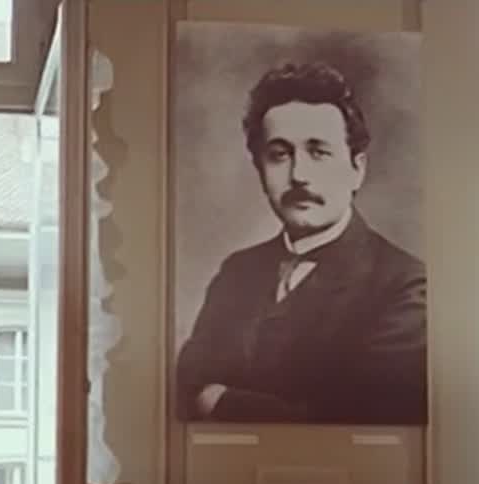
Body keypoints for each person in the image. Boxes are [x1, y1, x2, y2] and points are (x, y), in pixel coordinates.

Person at [176, 61, 426, 425]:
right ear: (259, 169)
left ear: (357, 169)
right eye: (279, 155)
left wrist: (220, 400)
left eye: (319, 152)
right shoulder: (237, 271)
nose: (299, 175)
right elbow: (185, 388)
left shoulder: (406, 284)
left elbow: (360, 420)